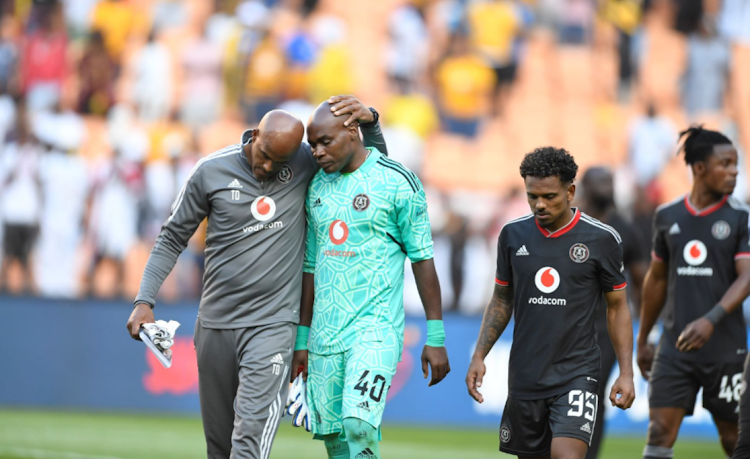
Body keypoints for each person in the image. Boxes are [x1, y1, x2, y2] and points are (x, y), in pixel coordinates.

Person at [126, 96, 387, 459]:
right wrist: (144, 300)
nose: (266, 166)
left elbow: (374, 173)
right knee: (219, 449)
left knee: (248, 445)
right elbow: (171, 237)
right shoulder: (209, 171)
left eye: (277, 161)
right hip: (215, 326)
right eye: (263, 153)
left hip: (273, 327)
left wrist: (370, 124)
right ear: (254, 134)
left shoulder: (305, 162)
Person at [296, 102, 450, 459]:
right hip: (324, 334)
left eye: (325, 142)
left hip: (375, 329)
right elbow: (310, 267)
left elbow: (423, 260)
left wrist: (436, 336)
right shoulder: (316, 187)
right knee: (335, 439)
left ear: (353, 132)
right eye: (313, 144)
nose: (317, 152)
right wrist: (302, 339)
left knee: (358, 425)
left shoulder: (398, 182)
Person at [466, 147, 635, 459]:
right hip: (526, 374)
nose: (539, 205)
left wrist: (626, 371)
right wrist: (479, 354)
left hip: (577, 372)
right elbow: (502, 299)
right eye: (532, 196)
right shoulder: (512, 235)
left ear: (570, 191)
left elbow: (617, 307)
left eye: (549, 196)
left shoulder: (602, 239)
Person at [638, 127, 750, 459]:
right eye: (725, 164)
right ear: (699, 168)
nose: (734, 171)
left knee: (734, 438)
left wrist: (711, 320)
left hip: (727, 349)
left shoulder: (740, 217)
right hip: (675, 347)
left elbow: (747, 278)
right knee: (658, 432)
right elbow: (656, 280)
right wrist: (643, 338)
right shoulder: (667, 216)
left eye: (736, 164)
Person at [579, 167, 648, 459]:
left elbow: (643, 281)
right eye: (601, 181)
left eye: (610, 180)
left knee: (591, 393)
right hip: (569, 321)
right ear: (583, 186)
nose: (607, 186)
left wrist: (644, 327)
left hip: (606, 325)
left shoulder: (625, 228)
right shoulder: (572, 222)